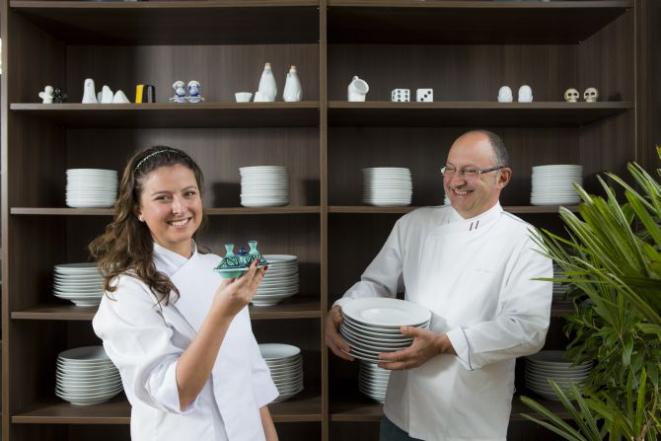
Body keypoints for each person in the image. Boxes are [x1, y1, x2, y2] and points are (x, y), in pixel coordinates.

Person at [325, 130, 553, 441]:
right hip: (401, 414)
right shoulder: (414, 224)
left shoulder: (523, 241)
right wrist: (341, 309)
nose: (456, 181)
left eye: (470, 171)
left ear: (502, 177)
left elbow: (528, 329)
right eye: (450, 168)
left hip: (470, 421)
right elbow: (376, 285)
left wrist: (445, 344)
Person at [91, 146, 279, 441]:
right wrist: (222, 314)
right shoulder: (127, 292)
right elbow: (175, 395)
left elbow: (252, 377)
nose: (180, 208)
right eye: (163, 197)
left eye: (188, 193)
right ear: (138, 208)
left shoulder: (220, 267)